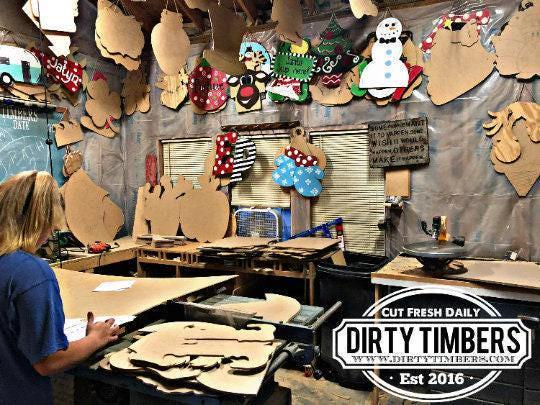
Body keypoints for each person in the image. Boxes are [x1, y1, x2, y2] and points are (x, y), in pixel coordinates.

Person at [0, 171, 120, 405]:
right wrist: (96, 338)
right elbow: (49, 361)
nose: (52, 231)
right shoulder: (30, 273)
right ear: (38, 220)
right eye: (51, 224)